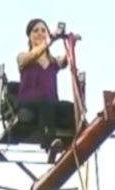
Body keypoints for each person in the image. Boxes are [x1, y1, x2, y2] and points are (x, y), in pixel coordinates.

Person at [15, 18, 80, 150]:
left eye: (43, 30)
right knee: (46, 105)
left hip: (51, 103)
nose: (40, 33)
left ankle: (76, 142)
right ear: (29, 36)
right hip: (30, 103)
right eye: (35, 31)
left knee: (71, 108)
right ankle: (49, 143)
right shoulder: (23, 57)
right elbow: (34, 54)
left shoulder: (52, 61)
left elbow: (64, 61)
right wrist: (50, 39)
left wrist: (72, 43)